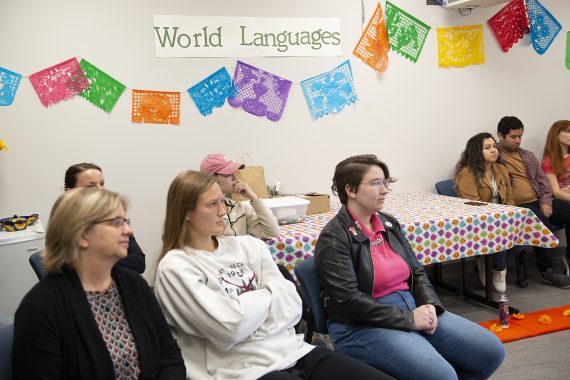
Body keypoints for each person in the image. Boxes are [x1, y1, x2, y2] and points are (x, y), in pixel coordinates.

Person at [154, 170, 394, 380]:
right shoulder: (176, 267)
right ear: (186, 212)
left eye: (222, 201)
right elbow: (230, 328)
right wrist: (269, 295)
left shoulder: (248, 246)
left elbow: (292, 306)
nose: (222, 211)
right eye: (211, 204)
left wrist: (245, 313)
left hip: (295, 351)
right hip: (241, 370)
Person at [315, 154, 505, 380]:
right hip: (359, 323)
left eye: (386, 182)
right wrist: (409, 319)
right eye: (376, 183)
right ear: (351, 190)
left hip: (410, 305)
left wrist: (430, 305)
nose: (385, 190)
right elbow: (348, 300)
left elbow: (416, 271)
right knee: (442, 376)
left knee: (491, 351)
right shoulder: (334, 237)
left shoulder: (387, 223)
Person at [12, 188, 185, 379]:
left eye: (125, 221)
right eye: (116, 222)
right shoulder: (40, 308)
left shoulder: (135, 285)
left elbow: (169, 355)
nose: (129, 230)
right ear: (82, 234)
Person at [497, 116, 570, 287]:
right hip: (516, 206)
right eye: (513, 137)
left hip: (538, 200)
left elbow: (543, 183)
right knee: (537, 218)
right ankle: (547, 269)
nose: (517, 140)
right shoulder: (494, 156)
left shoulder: (527, 155)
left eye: (520, 136)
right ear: (500, 136)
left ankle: (569, 257)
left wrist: (545, 201)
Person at [455, 132, 514, 293]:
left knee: (526, 233)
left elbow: (509, 198)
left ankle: (488, 261)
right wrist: (497, 217)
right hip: (478, 221)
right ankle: (499, 268)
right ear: (476, 152)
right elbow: (473, 204)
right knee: (502, 232)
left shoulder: (501, 168)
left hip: (502, 217)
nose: (494, 150)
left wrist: (511, 215)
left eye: (494, 146)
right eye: (488, 148)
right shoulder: (467, 173)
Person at [64, 163, 146, 274]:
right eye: (91, 186)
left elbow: (138, 262)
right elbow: (76, 268)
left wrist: (101, 262)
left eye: (102, 184)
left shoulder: (115, 216)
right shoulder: (63, 227)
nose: (101, 190)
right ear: (71, 193)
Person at [200, 153, 280, 239]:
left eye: (234, 173)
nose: (234, 178)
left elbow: (273, 233)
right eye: (228, 175)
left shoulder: (240, 209)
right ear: (211, 178)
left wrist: (253, 197)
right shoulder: (202, 212)